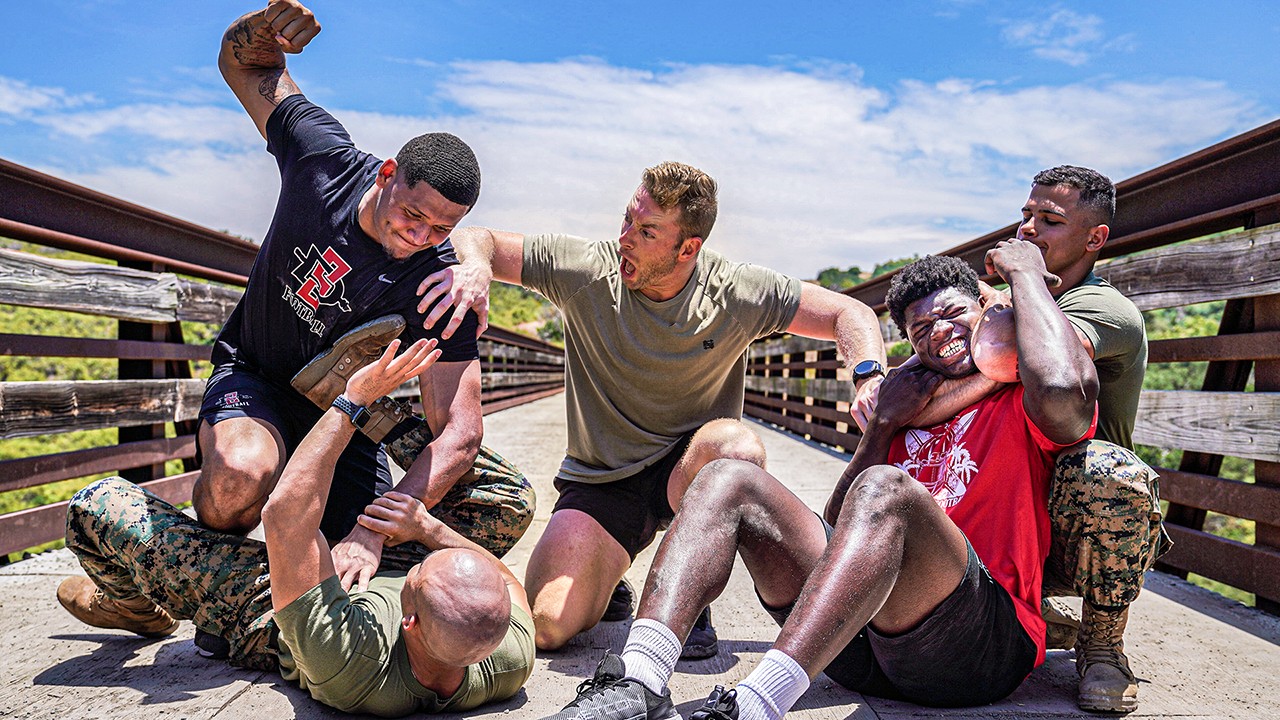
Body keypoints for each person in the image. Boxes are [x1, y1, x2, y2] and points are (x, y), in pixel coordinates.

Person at [542, 251, 1098, 720]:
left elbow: (1062, 384)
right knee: (727, 477)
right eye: (920, 330)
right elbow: (837, 531)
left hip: (975, 648)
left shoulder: (1023, 398)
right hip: (862, 646)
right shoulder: (909, 407)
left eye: (953, 313)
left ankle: (755, 704)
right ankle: (638, 679)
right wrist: (882, 425)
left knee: (886, 488)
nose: (939, 333)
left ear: (986, 310)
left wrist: (1024, 276)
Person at [434, 161, 886, 656]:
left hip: (690, 469)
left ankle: (689, 594)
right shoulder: (586, 269)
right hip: (605, 478)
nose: (625, 238)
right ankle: (610, 574)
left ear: (688, 248)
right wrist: (475, 267)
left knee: (736, 447)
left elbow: (849, 312)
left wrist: (868, 375)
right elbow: (478, 238)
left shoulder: (735, 291)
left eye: (647, 231)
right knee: (547, 626)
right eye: (627, 219)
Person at [191, 0, 532, 595]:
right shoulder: (322, 159)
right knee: (238, 479)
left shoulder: (438, 287)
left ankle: (225, 593)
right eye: (413, 215)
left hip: (345, 417)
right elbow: (245, 64)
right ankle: (158, 572)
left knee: (360, 576)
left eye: (442, 229)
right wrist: (265, 27)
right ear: (388, 173)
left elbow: (460, 432)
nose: (421, 237)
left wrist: (374, 529)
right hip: (256, 375)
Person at [56, 339, 536, 717]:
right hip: (395, 589)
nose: (423, 561)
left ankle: (136, 607)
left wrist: (352, 403)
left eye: (421, 572)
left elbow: (286, 517)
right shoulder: (506, 657)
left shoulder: (350, 662)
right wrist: (427, 530)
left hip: (273, 598)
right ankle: (381, 420)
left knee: (97, 506)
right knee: (510, 498)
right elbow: (503, 580)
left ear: (406, 623)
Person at [857, 166, 1164, 713]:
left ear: (1095, 238)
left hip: (1081, 520)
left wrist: (900, 408)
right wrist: (894, 387)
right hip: (1013, 501)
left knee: (1106, 472)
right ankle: (1022, 611)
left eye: (1050, 220)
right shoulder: (1009, 302)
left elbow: (1011, 364)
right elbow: (953, 363)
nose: (1028, 230)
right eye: (1025, 215)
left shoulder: (1101, 308)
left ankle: (1102, 642)